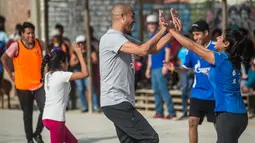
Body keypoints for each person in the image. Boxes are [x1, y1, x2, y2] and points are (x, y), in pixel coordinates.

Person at [99, 3, 179, 143]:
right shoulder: (111, 38)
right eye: (132, 16)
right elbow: (142, 50)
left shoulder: (123, 38)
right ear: (122, 17)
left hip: (119, 102)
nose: (135, 20)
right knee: (151, 138)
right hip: (116, 101)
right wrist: (162, 31)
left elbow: (152, 49)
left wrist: (172, 32)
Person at [165, 10, 248, 143]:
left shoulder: (221, 58)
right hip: (240, 115)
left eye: (221, 37)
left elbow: (193, 47)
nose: (218, 38)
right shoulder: (233, 59)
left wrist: (171, 30)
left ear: (227, 44)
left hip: (228, 115)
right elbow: (196, 48)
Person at [169, 20, 216, 143]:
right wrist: (175, 69)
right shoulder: (192, 50)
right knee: (192, 122)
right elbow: (185, 68)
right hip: (197, 93)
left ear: (206, 33)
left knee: (220, 127)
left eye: (198, 34)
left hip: (215, 95)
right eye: (193, 35)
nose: (195, 38)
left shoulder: (217, 48)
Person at [1, 22, 45, 143]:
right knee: (27, 114)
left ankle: (37, 133)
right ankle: (29, 139)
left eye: (32, 33)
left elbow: (47, 58)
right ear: (22, 34)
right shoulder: (16, 46)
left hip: (39, 85)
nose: (31, 35)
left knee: (46, 109)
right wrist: (11, 75)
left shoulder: (40, 44)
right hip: (23, 86)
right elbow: (3, 58)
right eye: (28, 33)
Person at [41, 42, 88, 143]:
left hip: (47, 118)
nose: (68, 63)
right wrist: (79, 54)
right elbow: (85, 73)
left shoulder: (48, 75)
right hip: (55, 120)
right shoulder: (62, 75)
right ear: (62, 63)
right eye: (67, 61)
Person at [145, 14, 176, 119]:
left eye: (153, 24)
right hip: (153, 68)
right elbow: (149, 54)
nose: (151, 26)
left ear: (156, 25)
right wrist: (148, 68)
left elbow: (167, 50)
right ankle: (159, 112)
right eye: (149, 24)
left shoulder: (162, 36)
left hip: (160, 67)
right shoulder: (150, 37)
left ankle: (171, 112)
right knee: (156, 90)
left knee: (163, 90)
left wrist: (165, 66)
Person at [70, 35, 99, 112]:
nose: (81, 45)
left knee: (90, 88)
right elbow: (71, 63)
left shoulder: (90, 49)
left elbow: (95, 59)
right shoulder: (75, 51)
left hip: (87, 71)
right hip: (78, 71)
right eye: (79, 43)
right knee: (80, 88)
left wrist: (87, 59)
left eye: (83, 43)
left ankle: (95, 106)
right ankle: (84, 107)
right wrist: (80, 60)